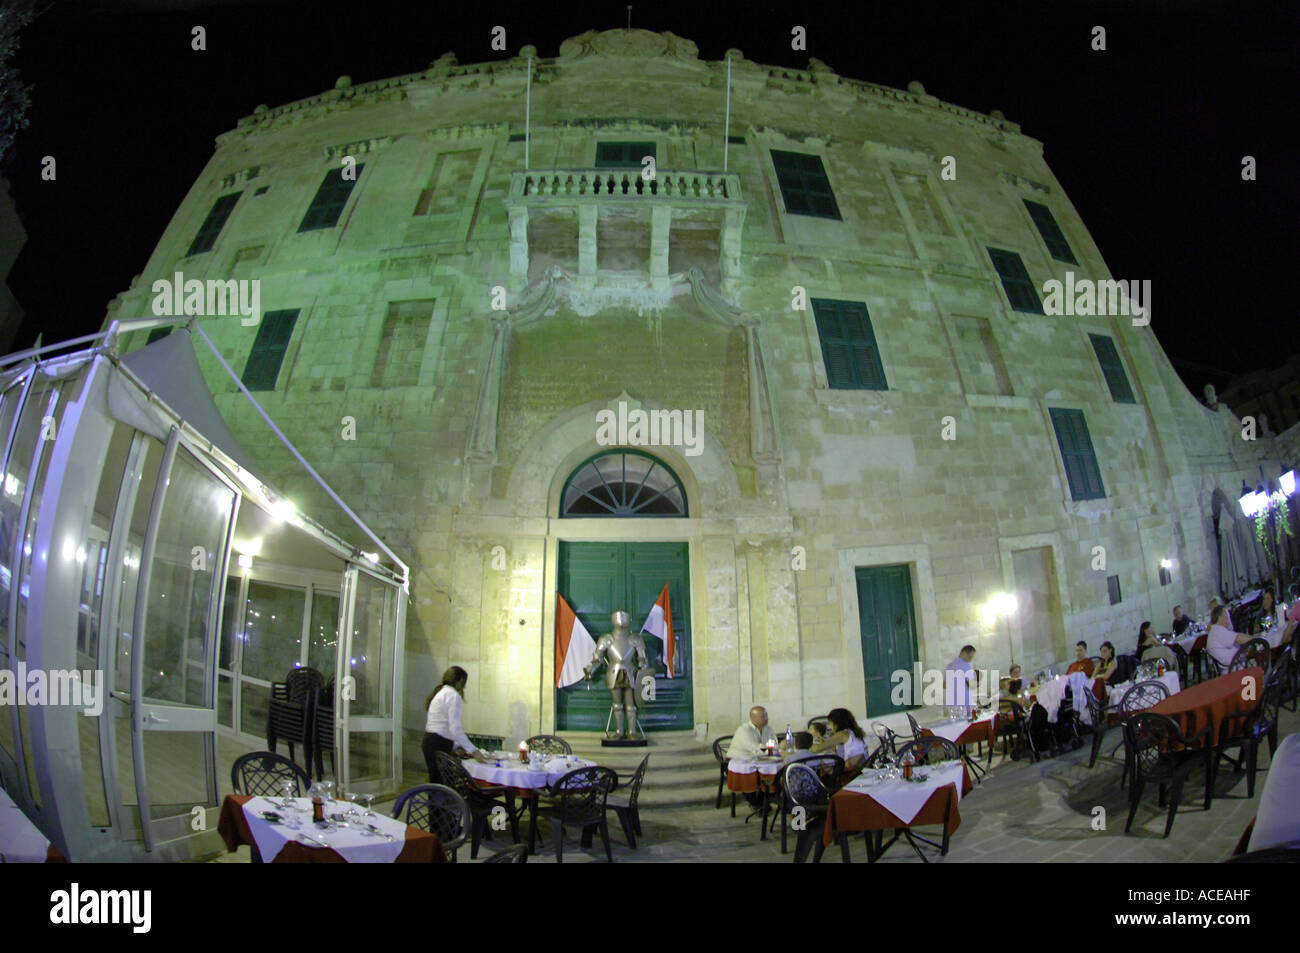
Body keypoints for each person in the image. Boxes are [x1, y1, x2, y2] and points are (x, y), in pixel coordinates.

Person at [423, 666, 487, 782]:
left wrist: (457, 745)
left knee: (437, 782)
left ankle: (435, 800)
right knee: (443, 783)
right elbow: (455, 728)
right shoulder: (453, 695)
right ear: (460, 681)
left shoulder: (441, 692)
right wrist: (474, 751)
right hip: (438, 743)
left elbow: (443, 727)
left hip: (430, 741)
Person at [1207, 605, 1252, 673]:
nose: (1228, 619)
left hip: (1232, 665)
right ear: (1220, 618)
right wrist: (1254, 637)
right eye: (1226, 617)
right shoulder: (1218, 631)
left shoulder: (1214, 631)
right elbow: (1239, 639)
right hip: (1235, 668)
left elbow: (1236, 636)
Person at [944, 645, 977, 711]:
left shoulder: (949, 666)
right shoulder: (967, 666)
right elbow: (972, 685)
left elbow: (944, 685)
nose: (971, 659)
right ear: (964, 653)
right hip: (964, 704)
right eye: (970, 656)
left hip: (952, 705)